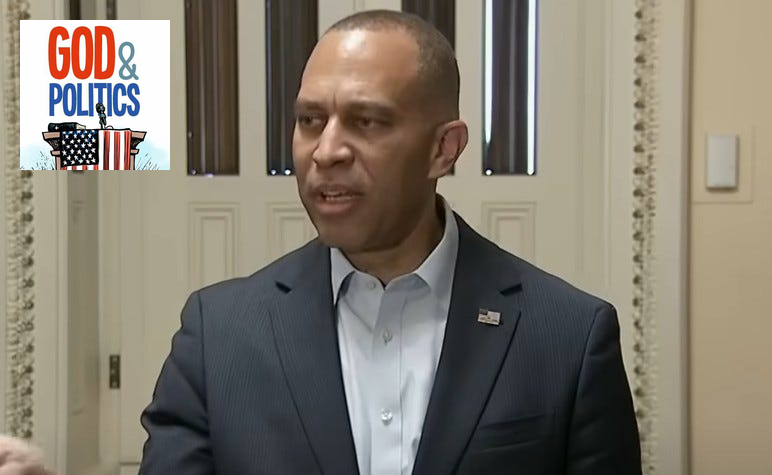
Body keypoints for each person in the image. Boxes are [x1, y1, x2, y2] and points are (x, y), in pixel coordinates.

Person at [139, 9, 641, 475]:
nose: (326, 152)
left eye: (366, 121)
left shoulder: (569, 339)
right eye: (310, 120)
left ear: (444, 149)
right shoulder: (217, 338)